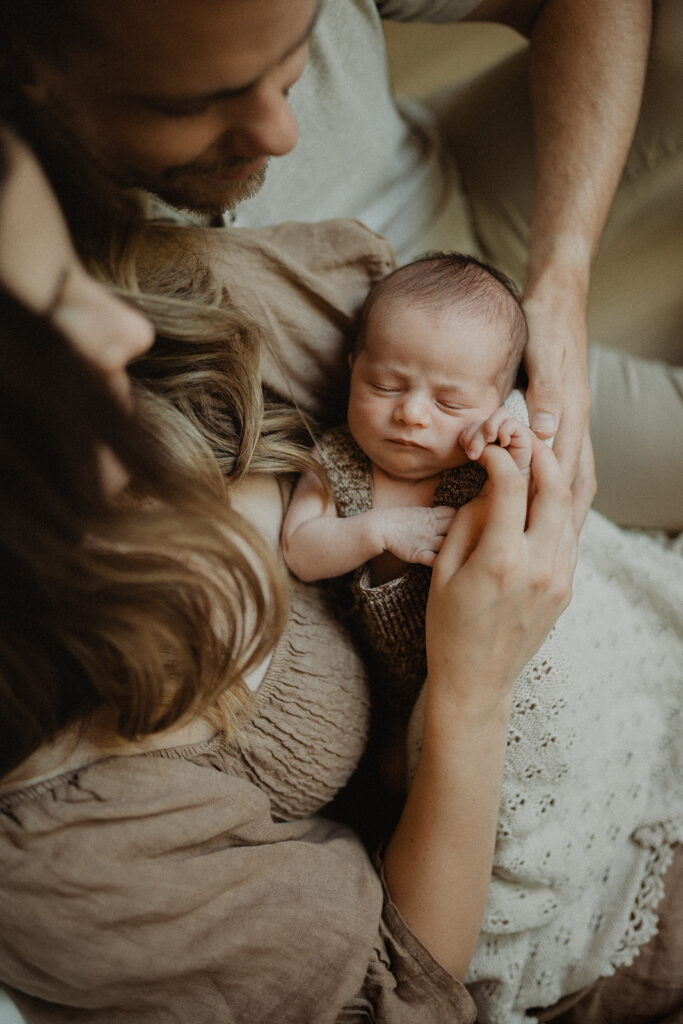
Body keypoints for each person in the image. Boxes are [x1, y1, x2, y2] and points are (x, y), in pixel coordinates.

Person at [0, 123, 681, 1022]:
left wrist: (518, 405)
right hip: (559, 857)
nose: (124, 325)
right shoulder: (67, 843)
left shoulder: (166, 330)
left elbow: (403, 309)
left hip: (616, 656)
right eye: (55, 303)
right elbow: (407, 993)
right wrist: (473, 683)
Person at [1, 0, 682, 530]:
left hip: (449, 180)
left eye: (290, 62)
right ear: (29, 69)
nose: (280, 136)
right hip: (443, 382)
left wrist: (561, 273)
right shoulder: (29, 251)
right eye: (196, 103)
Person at [283, 252, 532, 720]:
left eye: (449, 402)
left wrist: (516, 467)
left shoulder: (481, 465)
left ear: (497, 403)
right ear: (353, 368)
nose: (412, 413)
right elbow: (299, 550)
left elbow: (525, 540)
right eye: (385, 385)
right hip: (379, 685)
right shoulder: (336, 458)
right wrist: (377, 530)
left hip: (479, 673)